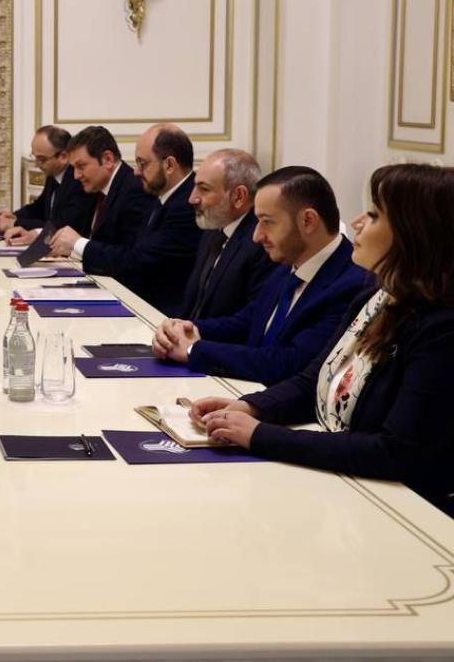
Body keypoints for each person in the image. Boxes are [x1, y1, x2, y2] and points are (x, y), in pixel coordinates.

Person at [192, 164, 454, 517]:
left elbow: (396, 452)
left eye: (375, 215)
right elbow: (313, 380)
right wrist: (251, 407)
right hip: (342, 484)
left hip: (398, 510)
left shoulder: (441, 329)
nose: (357, 221)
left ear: (415, 233)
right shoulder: (374, 297)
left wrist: (260, 435)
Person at [152, 166, 368, 384]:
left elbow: (288, 362)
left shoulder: (352, 283)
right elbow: (248, 321)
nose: (256, 236)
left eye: (268, 222)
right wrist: (185, 329)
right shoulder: (289, 262)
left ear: (308, 221)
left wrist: (193, 350)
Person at [48, 124, 200, 313]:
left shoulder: (186, 205)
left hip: (158, 313)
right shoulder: (163, 197)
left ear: (169, 165)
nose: (136, 171)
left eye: (142, 163)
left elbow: (139, 261)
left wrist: (78, 244)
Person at [178, 149, 278, 319]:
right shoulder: (213, 229)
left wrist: (191, 331)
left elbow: (251, 320)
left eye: (204, 189)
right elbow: (193, 304)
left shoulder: (261, 243)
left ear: (239, 196)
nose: (192, 198)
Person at [0, 125, 95, 245]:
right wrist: (13, 216)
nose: (37, 164)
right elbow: (39, 207)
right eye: (34, 157)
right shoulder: (54, 174)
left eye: (42, 159)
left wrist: (15, 223)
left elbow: (61, 225)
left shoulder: (79, 181)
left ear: (63, 156)